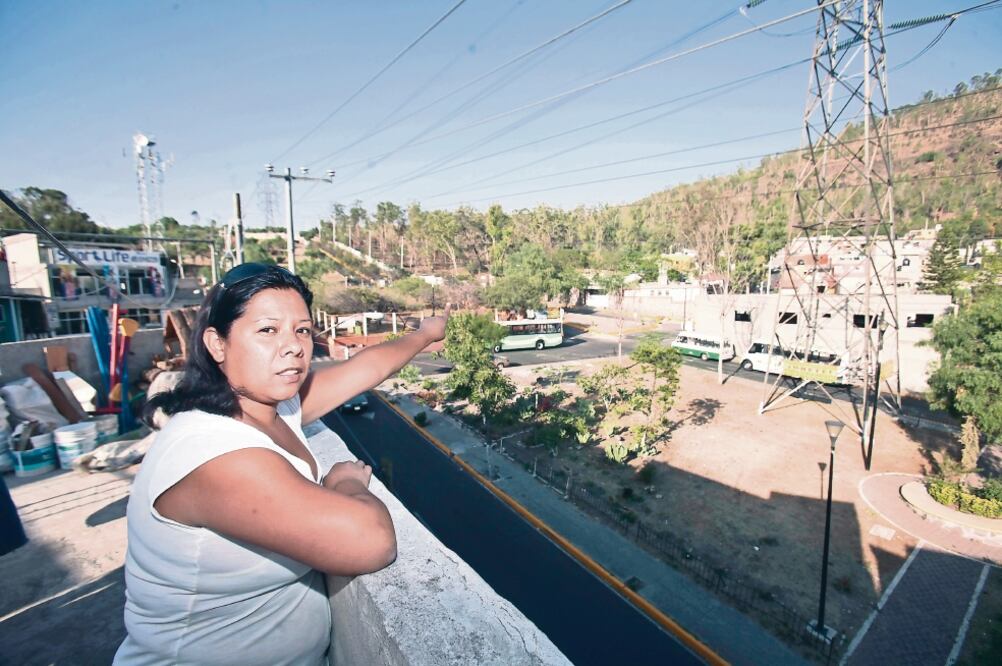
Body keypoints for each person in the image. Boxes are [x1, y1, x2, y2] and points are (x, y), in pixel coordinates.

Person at [115, 263, 447, 665]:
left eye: (302, 330)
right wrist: (345, 483)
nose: (293, 346)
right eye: (267, 330)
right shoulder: (211, 453)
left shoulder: (268, 407)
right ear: (217, 344)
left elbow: (366, 368)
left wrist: (425, 334)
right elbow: (371, 541)